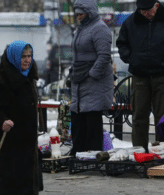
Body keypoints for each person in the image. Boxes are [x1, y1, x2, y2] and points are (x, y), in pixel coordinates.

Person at [116, 0, 164, 152]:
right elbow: (122, 44)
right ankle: (139, 152)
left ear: (156, 5)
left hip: (162, 76)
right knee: (138, 116)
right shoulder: (131, 22)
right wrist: (131, 58)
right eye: (142, 11)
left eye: (148, 11)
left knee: (162, 118)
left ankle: (161, 152)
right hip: (140, 76)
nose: (146, 14)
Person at [0, 41, 41, 194]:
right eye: (23, 57)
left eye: (29, 56)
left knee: (25, 183)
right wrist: (1, 121)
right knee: (6, 185)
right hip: (7, 139)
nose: (27, 60)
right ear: (14, 57)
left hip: (26, 139)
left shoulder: (29, 76)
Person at [69, 0, 114, 155]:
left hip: (95, 82)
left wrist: (92, 74)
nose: (78, 16)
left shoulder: (100, 29)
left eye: (81, 13)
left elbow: (104, 56)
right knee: (78, 117)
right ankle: (79, 152)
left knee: (92, 118)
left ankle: (93, 154)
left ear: (90, 12)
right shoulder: (81, 29)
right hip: (80, 80)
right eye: (77, 14)